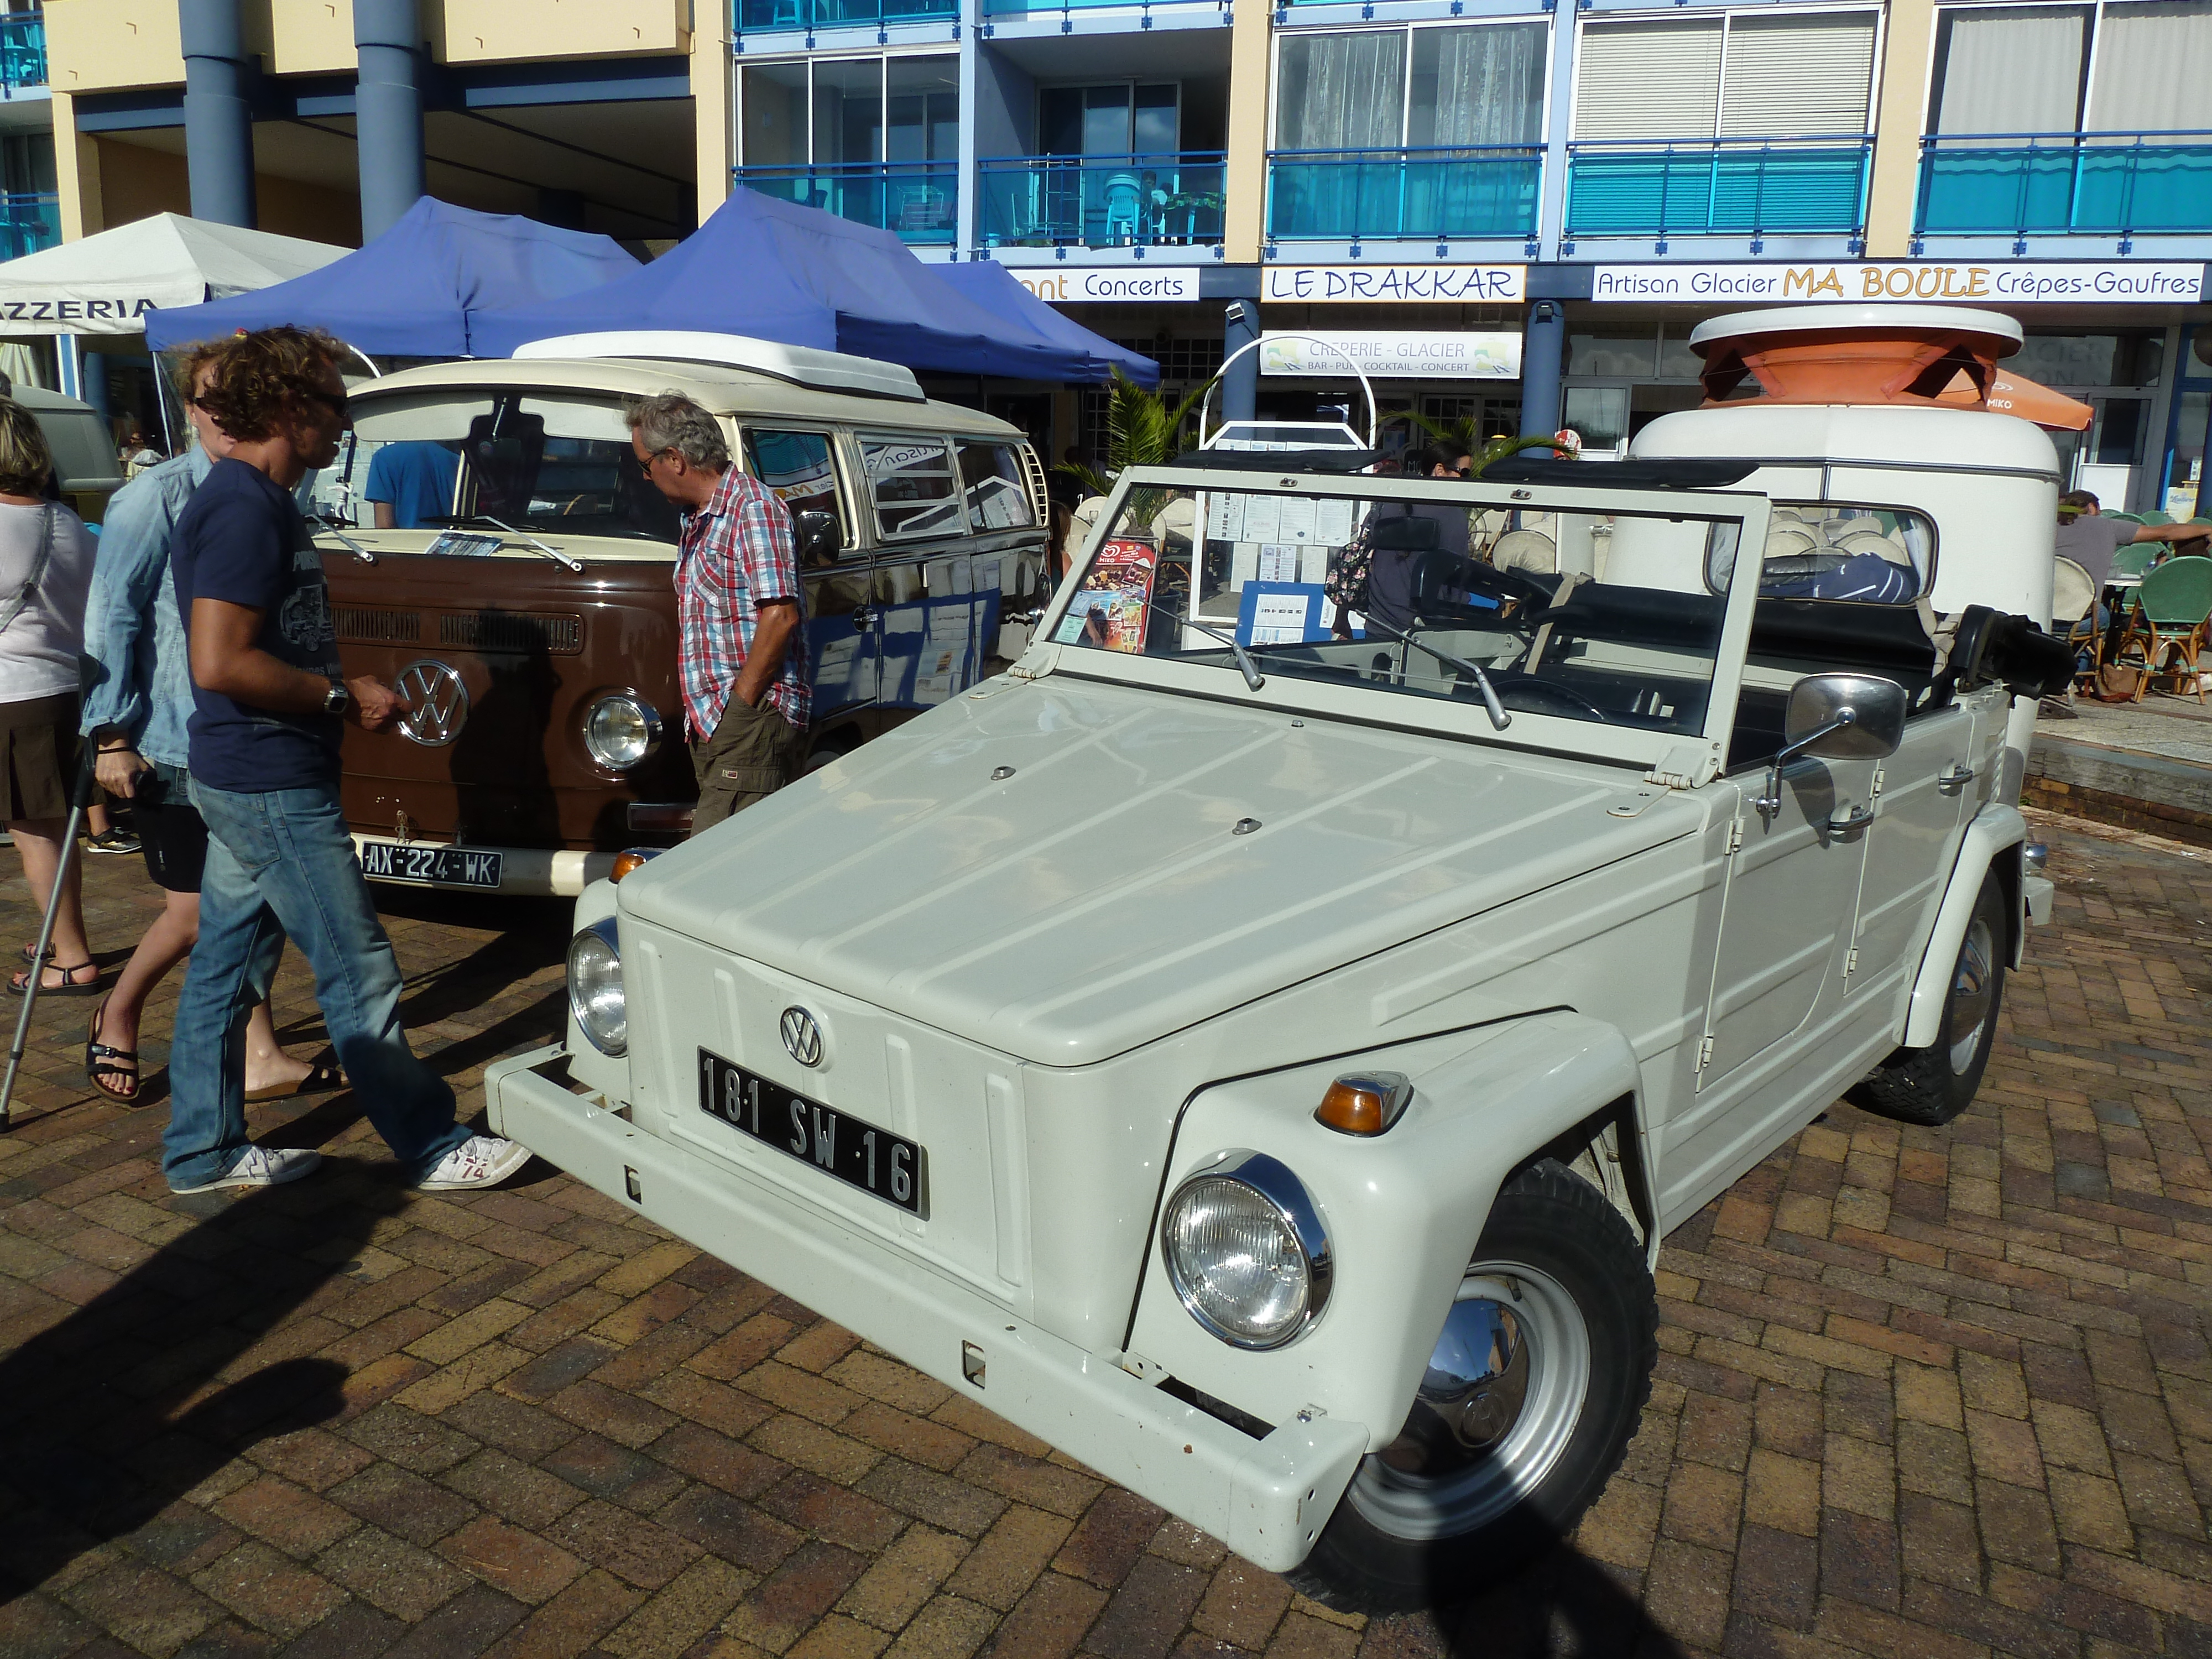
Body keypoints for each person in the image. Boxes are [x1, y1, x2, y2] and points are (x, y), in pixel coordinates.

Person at [163, 326, 526, 1194]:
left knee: (225, 968)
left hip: (253, 772)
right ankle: (430, 1143)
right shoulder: (245, 508)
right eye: (335, 403)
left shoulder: (258, 500)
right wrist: (339, 696)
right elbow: (220, 661)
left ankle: (201, 1151)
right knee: (356, 966)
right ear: (290, 408)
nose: (344, 421)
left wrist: (340, 694)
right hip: (268, 778)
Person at [77, 341, 333, 1106]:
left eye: (238, 397)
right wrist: (111, 736)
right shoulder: (154, 496)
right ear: (190, 410)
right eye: (211, 399)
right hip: (171, 741)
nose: (226, 413)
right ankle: (119, 1011)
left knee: (250, 908)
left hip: (247, 738)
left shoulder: (277, 487)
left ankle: (257, 1055)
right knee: (195, 914)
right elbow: (111, 618)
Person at [628, 392, 810, 836]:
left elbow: (781, 616)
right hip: (717, 722)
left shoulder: (752, 510)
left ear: (675, 459)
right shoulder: (699, 518)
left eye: (645, 465)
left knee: (720, 858)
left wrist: (740, 705)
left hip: (751, 717)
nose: (645, 477)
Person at [0, 401, 98, 999]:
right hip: (64, 690)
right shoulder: (66, 521)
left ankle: (72, 958)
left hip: (15, 694)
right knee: (54, 831)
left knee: (36, 834)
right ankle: (59, 938)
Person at [1332, 439, 1476, 639]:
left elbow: (1357, 558)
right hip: (1425, 633)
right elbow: (1457, 579)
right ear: (1440, 470)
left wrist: (1341, 618)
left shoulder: (1386, 505)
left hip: (1379, 626)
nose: (1468, 480)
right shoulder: (1454, 516)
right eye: (1464, 473)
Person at [364, 439, 461, 529]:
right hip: (448, 539)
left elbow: (384, 526)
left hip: (408, 541)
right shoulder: (456, 459)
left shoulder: (384, 457)